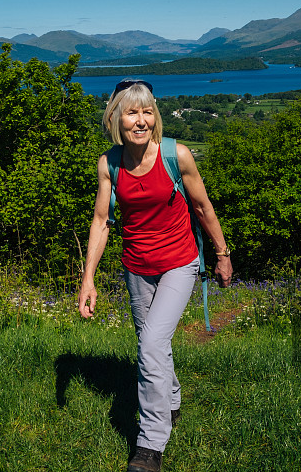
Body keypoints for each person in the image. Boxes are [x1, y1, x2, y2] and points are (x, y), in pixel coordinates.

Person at [78, 79, 233, 472]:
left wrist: (222, 254)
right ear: (116, 118)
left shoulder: (176, 155)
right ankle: (171, 399)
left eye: (147, 112)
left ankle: (150, 443)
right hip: (136, 267)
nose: (141, 120)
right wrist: (88, 279)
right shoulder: (109, 164)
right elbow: (101, 220)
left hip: (180, 262)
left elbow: (203, 207)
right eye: (132, 112)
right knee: (152, 344)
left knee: (150, 345)